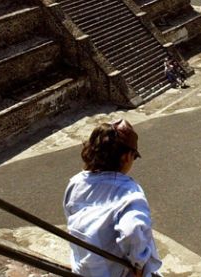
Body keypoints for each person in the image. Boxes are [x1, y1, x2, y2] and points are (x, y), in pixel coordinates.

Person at [63, 119, 162, 277]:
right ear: (126, 157)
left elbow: (69, 213)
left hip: (82, 268)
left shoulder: (76, 183)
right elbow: (132, 230)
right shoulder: (130, 193)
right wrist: (139, 263)